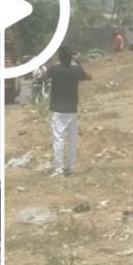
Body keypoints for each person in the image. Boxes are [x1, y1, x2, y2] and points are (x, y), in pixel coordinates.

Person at [46, 47, 91, 177]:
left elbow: (45, 75)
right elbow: (89, 76)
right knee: (72, 140)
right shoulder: (76, 70)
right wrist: (78, 62)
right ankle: (70, 168)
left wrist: (55, 60)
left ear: (59, 57)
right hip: (72, 110)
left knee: (58, 140)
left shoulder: (54, 69)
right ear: (71, 57)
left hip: (58, 110)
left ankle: (59, 169)